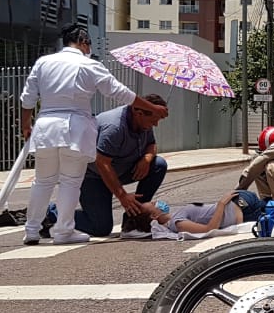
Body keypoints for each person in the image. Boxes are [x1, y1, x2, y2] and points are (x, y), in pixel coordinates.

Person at [20, 24, 167, 246]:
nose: (89, 49)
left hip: (45, 126)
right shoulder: (89, 65)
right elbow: (118, 92)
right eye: (88, 44)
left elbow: (28, 97)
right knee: (70, 181)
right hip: (75, 128)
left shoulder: (43, 63)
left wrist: (25, 125)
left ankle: (31, 230)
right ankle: (62, 231)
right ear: (82, 42)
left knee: (43, 181)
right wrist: (153, 108)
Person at [72, 94, 170, 237]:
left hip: (122, 170)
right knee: (100, 227)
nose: (155, 125)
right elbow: (102, 163)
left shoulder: (143, 121)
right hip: (94, 175)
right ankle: (51, 213)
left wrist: (147, 159)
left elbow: (151, 144)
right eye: (153, 120)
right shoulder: (114, 127)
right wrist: (123, 196)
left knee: (158, 164)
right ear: (139, 113)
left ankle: (133, 219)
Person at [122, 190, 264, 236]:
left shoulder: (176, 217)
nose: (157, 201)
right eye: (153, 204)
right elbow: (209, 229)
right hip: (244, 209)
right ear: (154, 216)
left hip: (240, 205)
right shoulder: (178, 223)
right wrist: (221, 204)